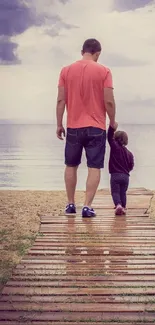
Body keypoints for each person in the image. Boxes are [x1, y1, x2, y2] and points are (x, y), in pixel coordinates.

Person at [56, 38, 117, 217]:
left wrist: (59, 123)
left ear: (83, 51)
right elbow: (109, 101)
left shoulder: (66, 71)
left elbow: (61, 100)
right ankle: (87, 206)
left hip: (74, 126)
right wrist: (112, 121)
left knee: (71, 165)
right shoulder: (104, 70)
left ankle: (70, 205)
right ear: (97, 53)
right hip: (96, 127)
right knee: (94, 167)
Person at [107, 125, 134, 215]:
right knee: (123, 192)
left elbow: (109, 136)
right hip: (126, 176)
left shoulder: (115, 147)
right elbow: (131, 165)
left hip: (115, 175)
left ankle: (118, 205)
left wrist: (112, 127)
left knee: (115, 192)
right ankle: (123, 207)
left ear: (115, 139)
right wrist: (127, 171)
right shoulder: (129, 153)